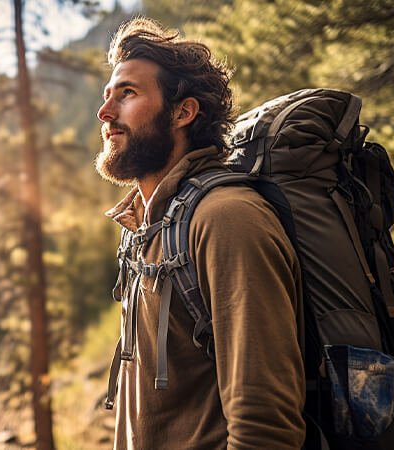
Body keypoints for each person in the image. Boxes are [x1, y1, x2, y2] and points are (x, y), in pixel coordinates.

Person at [96, 17, 305, 449]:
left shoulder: (227, 220)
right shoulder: (147, 227)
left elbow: (265, 427)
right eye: (107, 96)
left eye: (127, 94)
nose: (105, 112)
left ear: (182, 112)